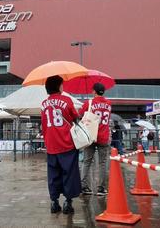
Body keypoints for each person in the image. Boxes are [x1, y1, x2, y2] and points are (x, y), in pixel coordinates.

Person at [41, 75, 81, 214]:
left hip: (51, 145)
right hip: (66, 143)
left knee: (53, 174)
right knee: (69, 173)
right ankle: (67, 203)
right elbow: (76, 118)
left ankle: (54, 202)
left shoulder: (44, 104)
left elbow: (44, 126)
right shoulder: (67, 100)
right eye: (62, 84)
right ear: (58, 86)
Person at [80, 82, 112, 196]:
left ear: (94, 91)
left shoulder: (89, 103)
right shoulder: (108, 103)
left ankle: (84, 186)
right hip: (104, 136)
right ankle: (101, 188)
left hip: (90, 136)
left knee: (87, 161)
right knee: (102, 163)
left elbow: (80, 115)